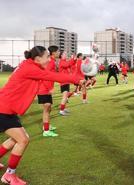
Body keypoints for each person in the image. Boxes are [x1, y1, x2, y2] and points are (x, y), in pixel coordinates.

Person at [0, 46, 84, 185]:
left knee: (16, 139)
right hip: (3, 109)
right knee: (23, 140)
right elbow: (52, 76)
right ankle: (9, 175)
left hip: (6, 108)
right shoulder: (30, 68)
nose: (49, 59)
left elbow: (50, 74)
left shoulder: (29, 65)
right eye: (46, 57)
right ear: (38, 58)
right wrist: (76, 79)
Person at [37, 45, 59, 137]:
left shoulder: (52, 61)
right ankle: (46, 131)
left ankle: (47, 126)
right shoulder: (50, 62)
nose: (59, 53)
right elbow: (44, 75)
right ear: (53, 53)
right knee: (47, 108)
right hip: (43, 89)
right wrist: (49, 88)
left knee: (48, 108)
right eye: (58, 51)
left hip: (46, 89)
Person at [58, 52, 75, 116]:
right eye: (64, 54)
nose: (66, 55)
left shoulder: (64, 61)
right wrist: (72, 58)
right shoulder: (62, 62)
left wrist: (74, 59)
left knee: (66, 96)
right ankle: (61, 111)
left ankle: (63, 108)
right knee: (65, 97)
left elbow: (70, 64)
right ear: (61, 55)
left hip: (66, 81)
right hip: (64, 81)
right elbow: (67, 64)